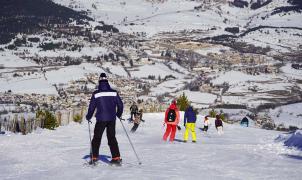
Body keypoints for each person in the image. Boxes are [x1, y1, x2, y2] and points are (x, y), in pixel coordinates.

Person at [86, 73, 124, 165]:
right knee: (112, 137)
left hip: (101, 119)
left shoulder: (96, 93)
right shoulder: (114, 93)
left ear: (99, 81)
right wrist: (118, 114)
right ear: (107, 81)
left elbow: (92, 107)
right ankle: (116, 157)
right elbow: (120, 105)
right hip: (112, 118)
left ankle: (94, 157)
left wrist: (88, 116)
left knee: (97, 138)